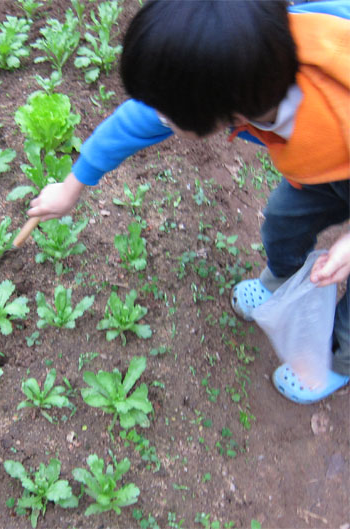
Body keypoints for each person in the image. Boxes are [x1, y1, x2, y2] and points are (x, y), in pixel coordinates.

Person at [28, 0, 349, 405]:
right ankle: (281, 280)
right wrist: (72, 185)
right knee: (283, 222)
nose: (156, 114)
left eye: (167, 111)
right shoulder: (245, 64)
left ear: (225, 114)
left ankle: (338, 362)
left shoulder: (334, 112)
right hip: (316, 172)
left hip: (334, 155)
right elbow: (138, 119)